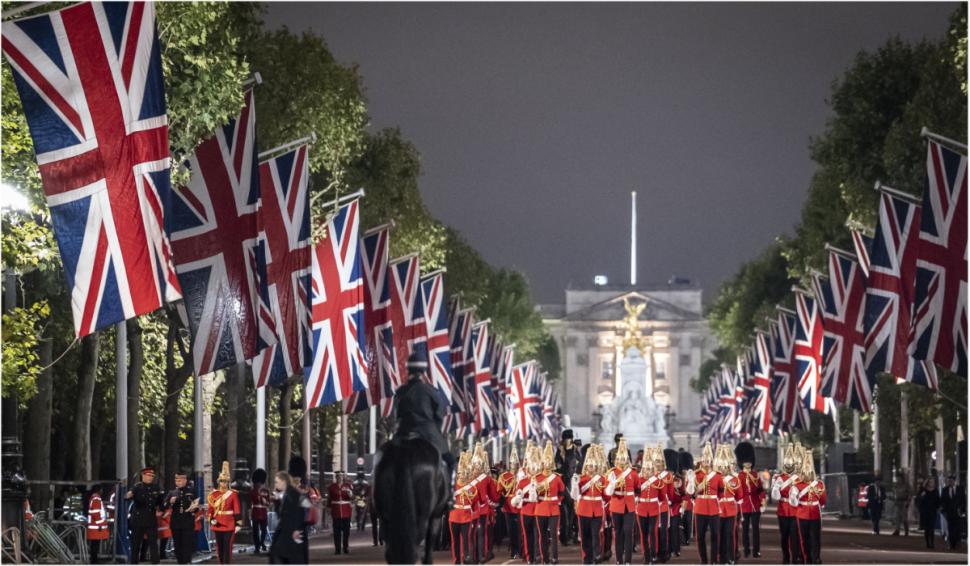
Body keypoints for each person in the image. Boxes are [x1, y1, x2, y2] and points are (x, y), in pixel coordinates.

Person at [393, 351, 456, 485]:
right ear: (424, 371)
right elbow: (439, 415)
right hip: (429, 435)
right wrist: (436, 431)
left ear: (408, 369)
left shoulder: (400, 392)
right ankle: (450, 495)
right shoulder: (431, 391)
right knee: (450, 461)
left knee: (384, 459)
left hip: (404, 434)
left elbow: (396, 415)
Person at [788, 446, 825, 565]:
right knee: (809, 538)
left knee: (810, 538)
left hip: (805, 513)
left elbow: (822, 499)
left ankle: (812, 558)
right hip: (811, 513)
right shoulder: (817, 484)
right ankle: (809, 558)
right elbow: (823, 501)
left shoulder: (804, 484)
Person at [605, 438, 639, 565]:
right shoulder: (612, 473)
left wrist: (636, 499)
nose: (621, 461)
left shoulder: (633, 473)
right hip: (616, 505)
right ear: (616, 459)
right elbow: (608, 492)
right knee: (618, 533)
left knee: (628, 532)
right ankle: (619, 559)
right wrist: (612, 484)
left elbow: (638, 489)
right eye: (619, 458)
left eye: (623, 458)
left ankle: (628, 560)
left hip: (629, 506)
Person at [687, 443, 722, 565]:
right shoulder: (696, 475)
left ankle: (714, 560)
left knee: (715, 535)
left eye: (709, 460)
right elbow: (691, 493)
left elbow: (721, 493)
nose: (707, 462)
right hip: (700, 508)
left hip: (713, 508)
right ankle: (703, 560)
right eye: (705, 459)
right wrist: (693, 484)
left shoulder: (718, 475)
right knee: (700, 536)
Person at [573, 444, 607, 564]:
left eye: (593, 465)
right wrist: (574, 484)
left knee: (595, 534)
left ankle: (596, 555)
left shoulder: (601, 479)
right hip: (584, 509)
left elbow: (606, 495)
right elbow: (575, 495)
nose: (591, 468)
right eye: (589, 466)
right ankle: (587, 557)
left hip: (597, 509)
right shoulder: (581, 479)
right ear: (586, 466)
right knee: (585, 536)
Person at [536, 441, 566, 564]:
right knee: (542, 535)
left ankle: (554, 558)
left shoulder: (557, 477)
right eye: (545, 462)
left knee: (554, 535)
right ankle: (545, 558)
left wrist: (558, 501)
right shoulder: (537, 478)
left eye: (549, 462)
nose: (547, 465)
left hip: (553, 509)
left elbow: (563, 493)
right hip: (541, 508)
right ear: (542, 463)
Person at [770, 442, 801, 563]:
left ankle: (795, 558)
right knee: (784, 536)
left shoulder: (799, 478)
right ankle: (786, 557)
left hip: (795, 510)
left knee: (795, 536)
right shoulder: (780, 478)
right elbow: (775, 497)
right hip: (783, 510)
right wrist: (775, 487)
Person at [207, 461, 242, 565]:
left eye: (226, 481)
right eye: (222, 481)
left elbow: (237, 510)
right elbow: (210, 510)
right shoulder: (213, 494)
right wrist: (211, 519)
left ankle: (226, 563)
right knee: (220, 546)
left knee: (227, 546)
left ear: (228, 482)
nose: (224, 483)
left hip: (229, 524)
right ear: (219, 482)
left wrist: (238, 524)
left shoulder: (233, 494)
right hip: (217, 523)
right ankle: (221, 563)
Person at [451, 451, 483, 564]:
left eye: (463, 474)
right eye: (460, 474)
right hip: (454, 516)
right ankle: (457, 560)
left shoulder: (472, 488)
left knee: (466, 540)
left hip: (466, 516)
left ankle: (467, 559)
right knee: (455, 541)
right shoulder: (452, 486)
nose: (461, 476)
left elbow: (474, 504)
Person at [128, 466, 164, 564]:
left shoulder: (156, 487)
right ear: (143, 475)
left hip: (151, 519)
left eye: (152, 475)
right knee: (136, 543)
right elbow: (127, 496)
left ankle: (155, 562)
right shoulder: (137, 487)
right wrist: (129, 495)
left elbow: (160, 501)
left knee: (153, 543)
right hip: (138, 519)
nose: (151, 477)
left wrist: (161, 509)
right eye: (149, 475)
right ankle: (134, 562)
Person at [270, 472, 307, 564]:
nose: (275, 484)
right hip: (286, 532)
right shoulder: (286, 494)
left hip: (292, 532)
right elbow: (281, 514)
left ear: (283, 482)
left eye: (276, 482)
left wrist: (296, 530)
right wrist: (277, 502)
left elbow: (299, 513)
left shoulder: (293, 494)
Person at [635, 446, 664, 565]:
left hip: (653, 509)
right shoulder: (639, 479)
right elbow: (635, 492)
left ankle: (653, 555)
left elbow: (661, 496)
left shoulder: (657, 480)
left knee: (652, 531)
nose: (648, 471)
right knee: (644, 533)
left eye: (650, 469)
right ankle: (646, 556)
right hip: (641, 509)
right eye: (646, 469)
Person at [514, 445, 542, 564]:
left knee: (538, 536)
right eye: (531, 467)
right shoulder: (522, 481)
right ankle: (529, 557)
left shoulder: (542, 480)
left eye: (535, 467)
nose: (533, 469)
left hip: (538, 509)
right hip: (526, 510)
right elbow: (517, 498)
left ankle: (537, 556)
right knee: (527, 536)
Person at [736, 441, 763, 558]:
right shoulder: (739, 476)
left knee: (756, 530)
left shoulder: (755, 475)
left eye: (749, 462)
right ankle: (746, 550)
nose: (748, 464)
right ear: (741, 463)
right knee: (745, 530)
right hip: (744, 506)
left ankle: (756, 551)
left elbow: (760, 490)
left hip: (755, 505)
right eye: (745, 462)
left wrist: (763, 500)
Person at [716, 445, 742, 566]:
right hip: (719, 509)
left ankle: (730, 557)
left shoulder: (734, 479)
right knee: (719, 534)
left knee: (730, 534)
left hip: (731, 509)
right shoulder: (716, 478)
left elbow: (739, 496)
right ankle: (720, 557)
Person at [167, 471, 199, 565]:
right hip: (176, 522)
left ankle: (187, 561)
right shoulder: (172, 492)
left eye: (180, 480)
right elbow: (164, 506)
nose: (178, 481)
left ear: (185, 480)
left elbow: (196, 506)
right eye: (176, 480)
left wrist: (194, 509)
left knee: (187, 544)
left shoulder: (191, 491)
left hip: (187, 521)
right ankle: (180, 562)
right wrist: (171, 502)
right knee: (177, 544)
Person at [556, 429, 581, 547]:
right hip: (563, 482)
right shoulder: (560, 450)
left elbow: (580, 465)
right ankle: (564, 536)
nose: (567, 440)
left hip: (574, 482)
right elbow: (557, 466)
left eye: (569, 438)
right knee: (564, 513)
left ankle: (572, 535)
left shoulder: (576, 450)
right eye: (565, 438)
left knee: (573, 512)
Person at [499, 450, 523, 559]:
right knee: (511, 531)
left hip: (520, 507)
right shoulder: (504, 476)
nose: (514, 466)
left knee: (520, 530)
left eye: (515, 464)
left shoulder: (522, 475)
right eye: (512, 464)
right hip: (509, 507)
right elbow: (500, 491)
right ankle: (514, 551)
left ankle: (520, 550)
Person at [326, 470, 353, 554]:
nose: (339, 478)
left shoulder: (348, 486)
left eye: (341, 476)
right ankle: (337, 549)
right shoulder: (331, 487)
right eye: (338, 476)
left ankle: (345, 547)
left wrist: (350, 494)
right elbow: (329, 499)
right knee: (336, 532)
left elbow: (352, 497)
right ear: (336, 477)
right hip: (336, 511)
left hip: (346, 511)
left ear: (343, 477)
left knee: (346, 531)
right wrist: (328, 508)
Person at [86, 484, 110, 564]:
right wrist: (101, 523)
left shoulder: (94, 497)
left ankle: (94, 560)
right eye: (101, 489)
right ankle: (94, 561)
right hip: (96, 527)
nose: (102, 491)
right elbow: (95, 513)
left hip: (95, 526)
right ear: (99, 490)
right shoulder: (96, 498)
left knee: (94, 545)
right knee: (95, 545)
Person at [940, 475, 965, 550]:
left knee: (957, 528)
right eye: (949, 481)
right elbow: (942, 501)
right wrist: (943, 511)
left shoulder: (960, 489)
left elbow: (963, 500)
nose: (950, 482)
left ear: (954, 481)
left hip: (958, 511)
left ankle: (958, 543)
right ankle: (952, 544)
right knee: (950, 528)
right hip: (949, 512)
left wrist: (963, 511)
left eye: (951, 481)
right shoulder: (945, 490)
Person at [250, 468, 270, 555]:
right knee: (255, 531)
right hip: (255, 512)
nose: (259, 484)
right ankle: (257, 547)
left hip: (263, 512)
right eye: (258, 482)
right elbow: (250, 502)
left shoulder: (266, 491)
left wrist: (265, 502)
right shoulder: (252, 491)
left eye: (260, 482)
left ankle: (262, 542)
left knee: (264, 530)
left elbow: (269, 503)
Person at [917, 477, 941, 549]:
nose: (931, 483)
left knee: (932, 528)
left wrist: (939, 507)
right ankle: (927, 543)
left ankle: (932, 543)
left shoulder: (936, 490)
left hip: (933, 511)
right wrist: (922, 495)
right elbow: (918, 499)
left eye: (932, 482)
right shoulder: (923, 490)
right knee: (927, 529)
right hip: (925, 511)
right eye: (930, 482)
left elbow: (938, 500)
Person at [892, 471, 911, 536]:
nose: (898, 479)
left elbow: (910, 494)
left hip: (904, 502)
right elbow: (894, 493)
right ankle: (897, 530)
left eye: (899, 478)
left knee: (904, 518)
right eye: (897, 478)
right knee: (897, 517)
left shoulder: (906, 485)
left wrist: (908, 502)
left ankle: (906, 530)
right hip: (898, 502)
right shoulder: (896, 485)